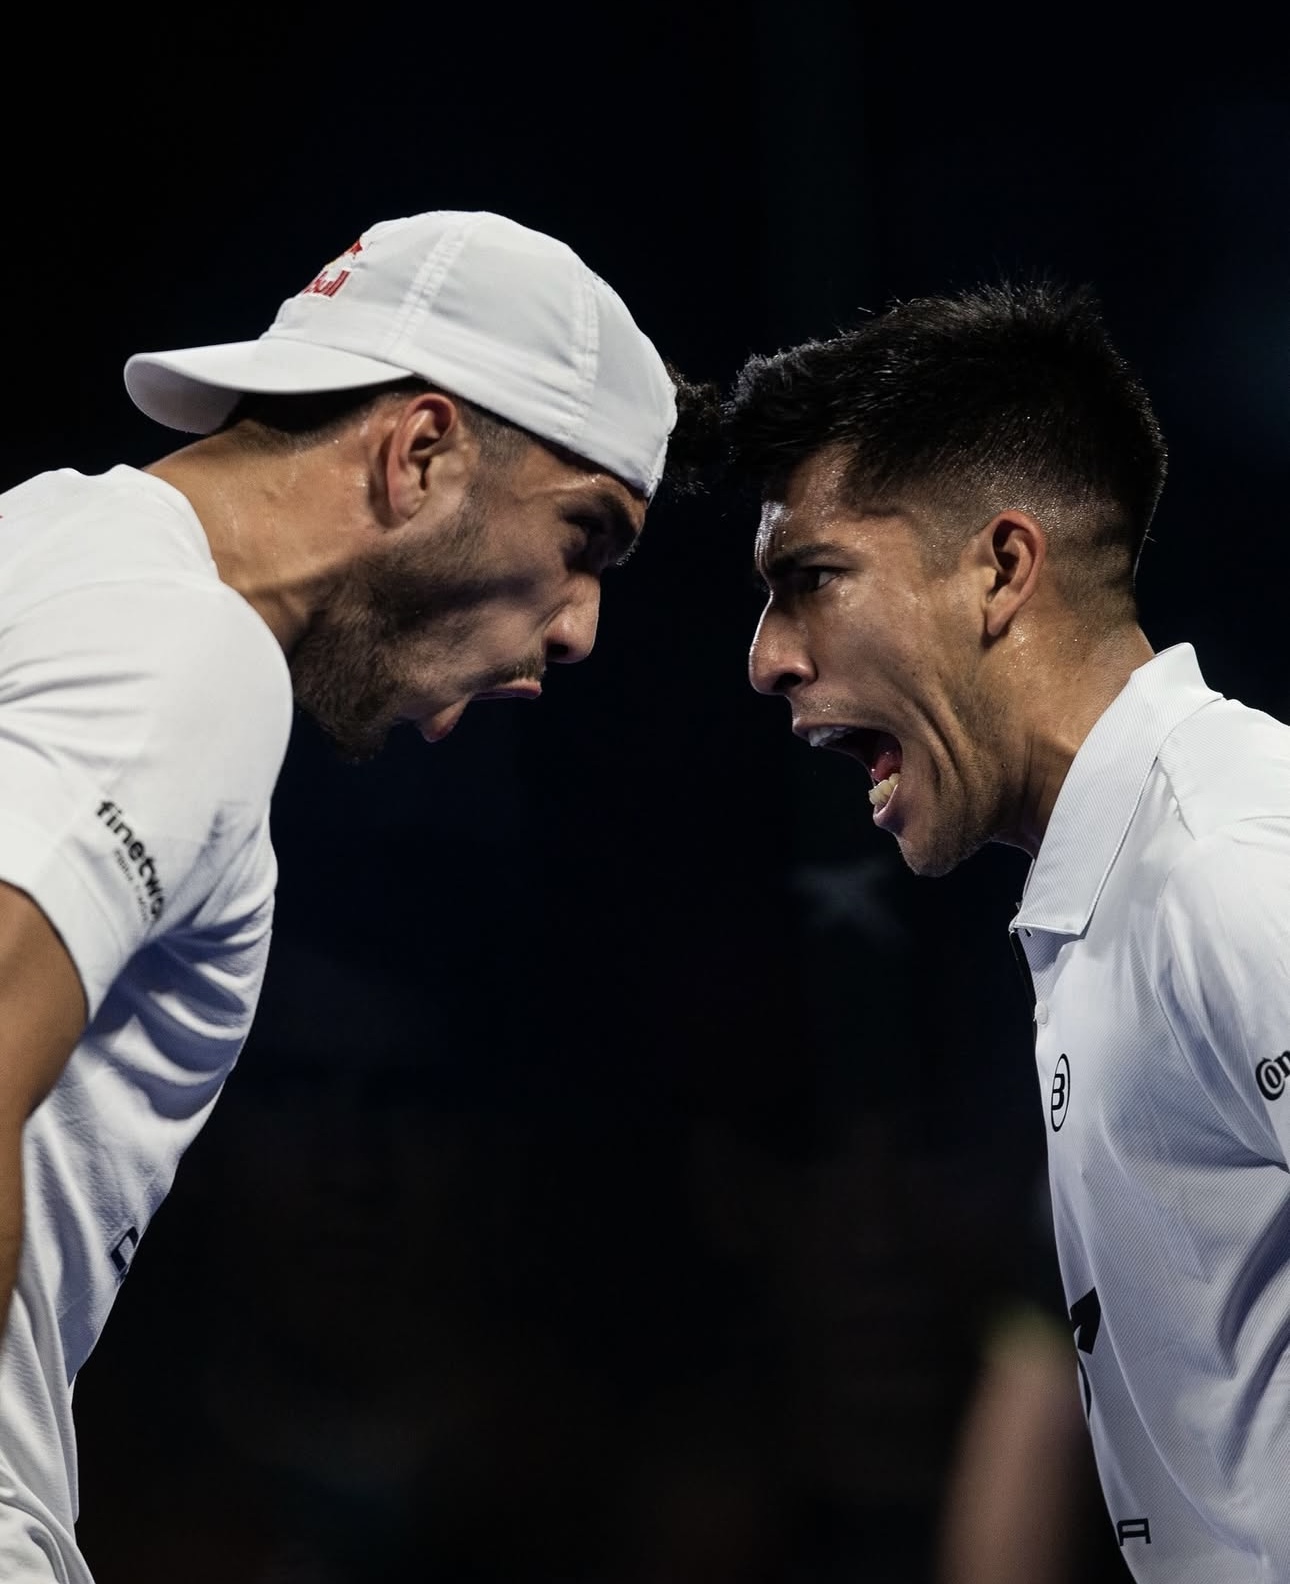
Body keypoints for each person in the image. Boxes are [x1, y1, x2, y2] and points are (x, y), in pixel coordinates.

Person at [0, 207, 678, 1582]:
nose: (581, 626)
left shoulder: (43, 543)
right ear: (419, 453)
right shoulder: (193, 651)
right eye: (585, 537)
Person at [727, 282, 1290, 1582]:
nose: (765, 658)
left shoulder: (1224, 871)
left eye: (809, 579)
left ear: (999, 568)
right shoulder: (1128, 883)